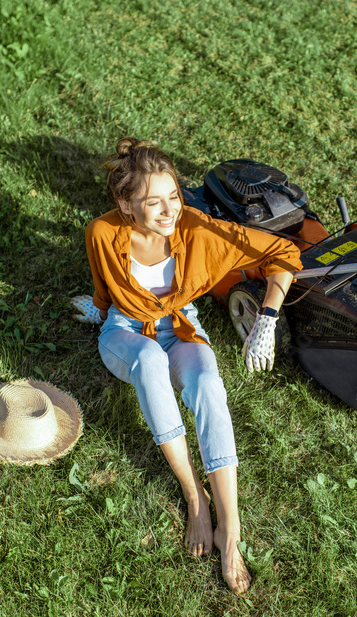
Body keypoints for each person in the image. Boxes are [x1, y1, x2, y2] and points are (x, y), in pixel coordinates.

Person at [70, 138, 301, 593]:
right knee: (150, 360)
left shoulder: (196, 228)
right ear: (125, 204)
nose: (169, 211)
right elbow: (104, 285)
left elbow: (283, 255)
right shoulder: (102, 232)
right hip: (125, 334)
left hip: (182, 328)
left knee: (210, 385)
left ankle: (230, 527)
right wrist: (99, 309)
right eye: (152, 202)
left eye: (174, 196)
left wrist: (268, 317)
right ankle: (194, 495)